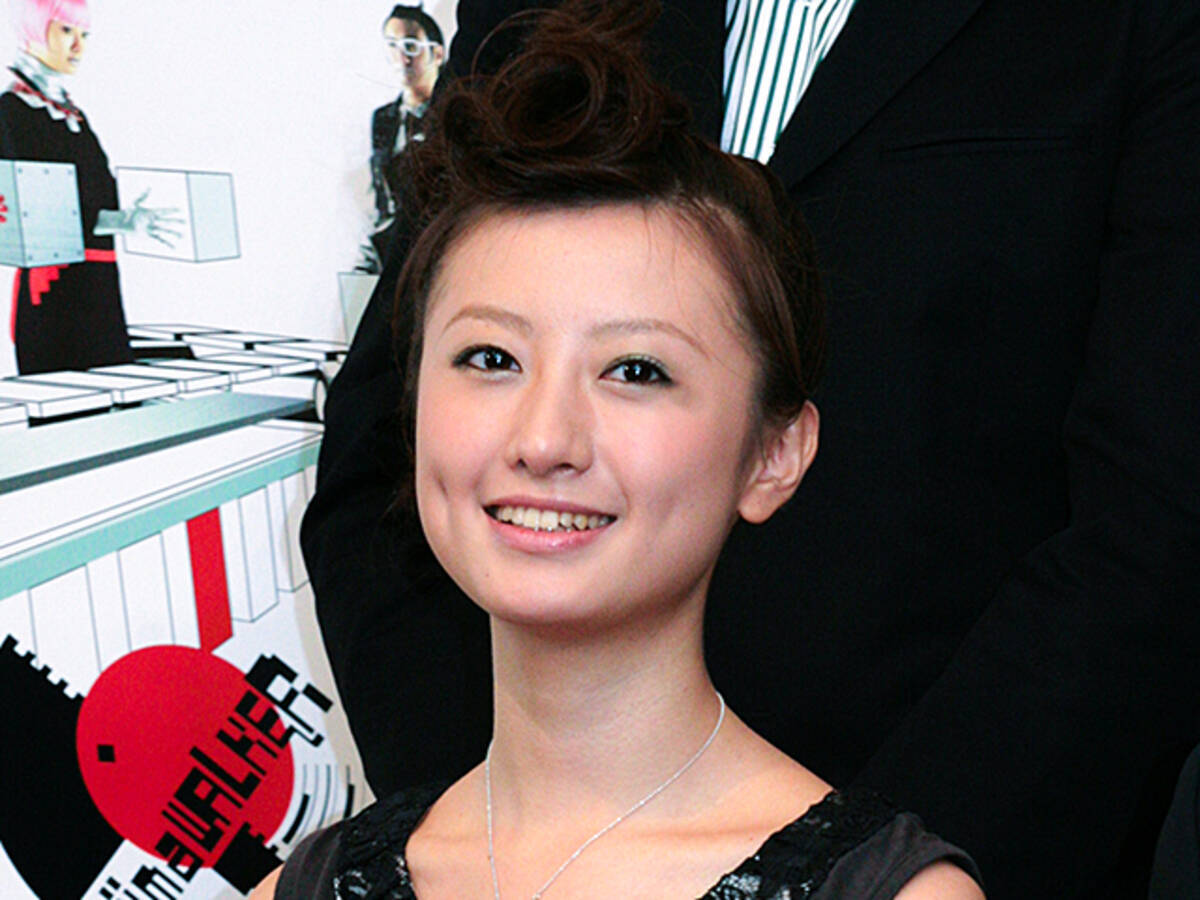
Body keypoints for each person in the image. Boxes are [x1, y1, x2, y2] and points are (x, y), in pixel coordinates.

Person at [302, 0, 1200, 896]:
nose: (545, 439)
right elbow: (378, 451)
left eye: (635, 370)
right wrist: (502, 848)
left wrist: (834, 871)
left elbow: (1156, 527)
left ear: (782, 451)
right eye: (495, 360)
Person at [0, 0, 179, 375]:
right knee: (72, 403)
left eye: (84, 34)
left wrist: (125, 218)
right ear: (33, 29)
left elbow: (92, 194)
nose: (78, 45)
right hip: (56, 296)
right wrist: (120, 221)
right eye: (66, 30)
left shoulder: (73, 116)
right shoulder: (12, 113)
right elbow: (39, 211)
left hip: (99, 287)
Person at [358, 4, 445, 273]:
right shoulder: (384, 118)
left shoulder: (448, 114)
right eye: (392, 46)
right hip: (389, 249)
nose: (401, 58)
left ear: (437, 53)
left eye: (410, 46)